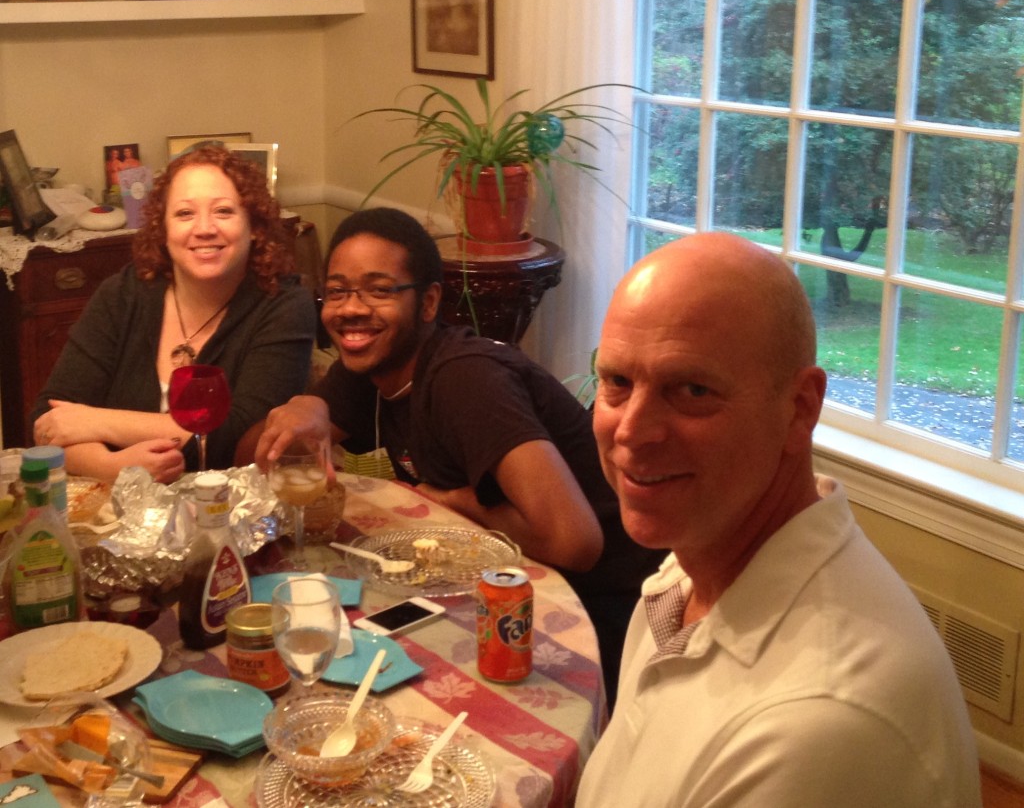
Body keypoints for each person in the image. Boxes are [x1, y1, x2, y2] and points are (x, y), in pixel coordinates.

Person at [575, 232, 981, 806]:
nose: (632, 431)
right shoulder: (693, 569)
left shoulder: (817, 731)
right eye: (617, 381)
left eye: (692, 390)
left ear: (800, 409)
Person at [255, 207, 663, 702]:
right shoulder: (372, 364)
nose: (351, 308)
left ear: (428, 302)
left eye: (379, 290)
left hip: (609, 618)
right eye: (338, 291)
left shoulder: (467, 380)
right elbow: (263, 452)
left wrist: (458, 501)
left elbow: (576, 542)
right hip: (501, 589)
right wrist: (307, 406)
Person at [32, 145, 317, 484]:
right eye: (184, 214)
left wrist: (96, 421)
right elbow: (49, 421)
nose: (204, 228)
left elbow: (237, 438)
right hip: (116, 505)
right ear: (163, 229)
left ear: (254, 225)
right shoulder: (122, 294)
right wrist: (114, 466)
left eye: (224, 211)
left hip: (232, 507)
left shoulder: (284, 306)